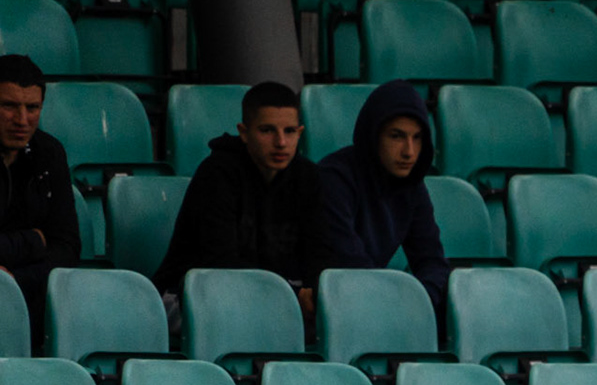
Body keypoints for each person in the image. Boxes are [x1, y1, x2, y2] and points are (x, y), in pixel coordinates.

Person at [152, 82, 325, 312]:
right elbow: (220, 262)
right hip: (192, 296)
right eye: (267, 130)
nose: (281, 142)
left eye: (289, 131)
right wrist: (291, 295)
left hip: (276, 299)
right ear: (244, 133)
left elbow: (320, 253)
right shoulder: (217, 174)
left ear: (300, 132)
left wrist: (313, 292)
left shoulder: (308, 176)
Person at [316, 79, 449, 307]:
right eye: (397, 136)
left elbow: (432, 260)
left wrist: (421, 302)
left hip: (379, 304)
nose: (409, 152)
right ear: (374, 135)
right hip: (332, 305)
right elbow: (348, 263)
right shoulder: (333, 178)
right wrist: (394, 304)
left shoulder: (412, 185)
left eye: (417, 138)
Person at [0, 54, 80, 333]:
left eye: (32, 107)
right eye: (9, 106)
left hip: (32, 296)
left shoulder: (49, 154)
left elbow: (67, 248)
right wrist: (33, 241)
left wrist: (14, 280)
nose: (22, 120)